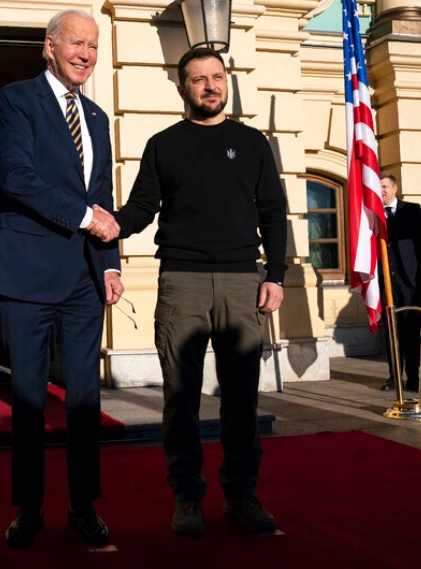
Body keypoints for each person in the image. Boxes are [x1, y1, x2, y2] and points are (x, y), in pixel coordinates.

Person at [106, 47, 287, 536]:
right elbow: (142, 207)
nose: (209, 85)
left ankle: (242, 494)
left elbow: (273, 211)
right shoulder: (164, 144)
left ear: (225, 82)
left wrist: (276, 275)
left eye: (216, 77)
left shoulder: (252, 144)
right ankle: (187, 497)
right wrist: (113, 224)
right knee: (180, 398)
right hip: (181, 282)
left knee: (242, 397)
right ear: (181, 87)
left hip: (241, 282)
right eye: (198, 79)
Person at [0, 9, 124, 548]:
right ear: (50, 46)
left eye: (92, 46)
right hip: (27, 276)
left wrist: (110, 262)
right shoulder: (16, 100)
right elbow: (17, 178)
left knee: (85, 399)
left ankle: (84, 505)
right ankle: (29, 508)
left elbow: (103, 198)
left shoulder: (97, 118)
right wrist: (88, 218)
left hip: (86, 280)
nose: (85, 54)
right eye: (76, 44)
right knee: (28, 399)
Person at [377, 174, 421, 393]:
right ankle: (394, 377)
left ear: (395, 188)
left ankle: (414, 378)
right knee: (391, 332)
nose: (381, 190)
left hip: (410, 282)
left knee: (411, 330)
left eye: (384, 186)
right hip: (386, 283)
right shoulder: (372, 213)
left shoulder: (412, 211)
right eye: (379, 186)